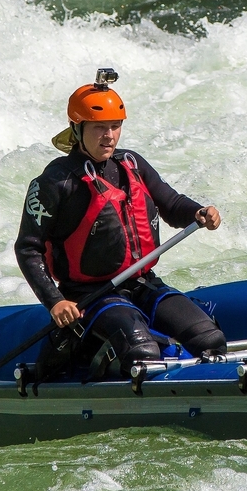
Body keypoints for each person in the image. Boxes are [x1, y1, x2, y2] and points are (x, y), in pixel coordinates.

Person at [14, 69, 226, 379]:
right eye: (99, 127)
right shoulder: (55, 182)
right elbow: (28, 248)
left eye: (115, 126)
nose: (109, 136)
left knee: (210, 340)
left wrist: (199, 212)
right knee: (143, 353)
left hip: (143, 283)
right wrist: (55, 302)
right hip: (90, 295)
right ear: (77, 128)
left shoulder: (132, 164)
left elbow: (171, 204)